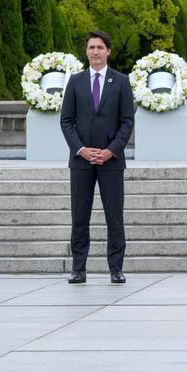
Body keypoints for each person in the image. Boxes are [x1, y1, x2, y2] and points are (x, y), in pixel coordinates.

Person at [60, 30, 135, 284]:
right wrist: (81, 149)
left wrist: (110, 150)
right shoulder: (75, 81)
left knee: (115, 216)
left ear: (108, 51)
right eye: (91, 47)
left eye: (100, 47)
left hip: (111, 161)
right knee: (79, 216)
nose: (95, 52)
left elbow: (127, 121)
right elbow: (66, 121)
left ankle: (116, 268)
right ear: (86, 51)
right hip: (81, 161)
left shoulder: (121, 81)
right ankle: (78, 269)